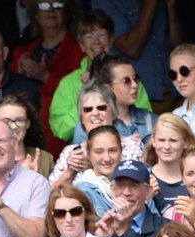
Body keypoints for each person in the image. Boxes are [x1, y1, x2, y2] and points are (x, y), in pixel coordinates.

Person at [49, 10, 152, 142]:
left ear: (111, 40)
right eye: (89, 36)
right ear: (81, 45)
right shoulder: (68, 83)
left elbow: (146, 119)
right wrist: (87, 95)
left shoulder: (128, 78)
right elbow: (61, 130)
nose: (96, 41)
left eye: (102, 34)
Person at [9, 0, 84, 157]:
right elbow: (10, 89)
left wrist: (45, 77)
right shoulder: (25, 50)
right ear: (36, 14)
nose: (51, 10)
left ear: (67, 12)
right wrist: (19, 70)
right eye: (44, 6)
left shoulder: (79, 48)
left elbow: (79, 91)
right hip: (26, 128)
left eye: (57, 6)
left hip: (59, 131)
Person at [49, 84, 142, 187]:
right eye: (88, 109)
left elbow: (133, 189)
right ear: (81, 117)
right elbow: (50, 195)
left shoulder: (132, 145)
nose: (95, 113)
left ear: (114, 112)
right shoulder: (70, 152)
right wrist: (70, 172)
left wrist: (90, 169)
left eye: (101, 108)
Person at [94, 158, 166, 237]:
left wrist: (124, 231)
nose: (126, 193)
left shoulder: (165, 229)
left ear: (148, 192)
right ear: (112, 190)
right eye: (121, 185)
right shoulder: (101, 225)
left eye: (134, 186)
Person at [85, 54, 154, 146]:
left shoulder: (152, 119)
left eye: (135, 79)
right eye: (126, 81)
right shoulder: (88, 124)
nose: (135, 85)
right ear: (107, 87)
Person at [144, 113, 195, 214]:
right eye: (161, 140)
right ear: (153, 141)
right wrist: (146, 199)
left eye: (173, 140)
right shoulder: (144, 178)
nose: (167, 146)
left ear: (186, 142)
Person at [69, 125, 124, 217]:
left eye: (112, 150)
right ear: (89, 154)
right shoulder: (82, 191)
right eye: (99, 152)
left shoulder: (135, 183)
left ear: (121, 151)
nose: (107, 158)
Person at [0, 94, 55, 178]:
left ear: (28, 124)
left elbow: (55, 190)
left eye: (20, 120)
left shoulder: (45, 159)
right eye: (6, 121)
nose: (13, 126)